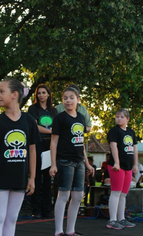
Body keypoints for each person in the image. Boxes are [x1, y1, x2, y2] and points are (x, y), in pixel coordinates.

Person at [0, 78, 40, 236]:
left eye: (2, 91)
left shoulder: (29, 121)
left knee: (12, 218)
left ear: (15, 94)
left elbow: (33, 151)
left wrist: (32, 178)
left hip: (19, 178)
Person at [49, 86, 94, 236]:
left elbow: (80, 143)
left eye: (71, 97)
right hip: (64, 161)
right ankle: (58, 231)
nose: (68, 100)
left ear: (78, 100)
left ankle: (70, 231)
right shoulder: (59, 118)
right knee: (63, 195)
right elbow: (54, 142)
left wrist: (87, 163)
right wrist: (53, 164)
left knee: (77, 197)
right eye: (65, 98)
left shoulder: (81, 118)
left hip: (79, 162)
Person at [106, 108, 138, 230]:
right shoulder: (114, 131)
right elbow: (113, 146)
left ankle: (121, 218)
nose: (118, 119)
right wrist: (117, 162)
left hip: (128, 166)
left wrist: (135, 164)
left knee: (124, 194)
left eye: (121, 117)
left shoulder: (131, 132)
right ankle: (112, 220)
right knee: (116, 192)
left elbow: (135, 148)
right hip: (117, 166)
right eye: (117, 116)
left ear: (127, 119)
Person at [28, 84, 57, 218]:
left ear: (48, 94)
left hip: (50, 146)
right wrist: (51, 131)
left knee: (47, 179)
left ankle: (47, 210)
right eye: (39, 93)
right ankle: (36, 210)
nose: (41, 95)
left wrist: (54, 134)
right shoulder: (33, 109)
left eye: (43, 92)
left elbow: (58, 127)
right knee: (37, 177)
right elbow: (35, 126)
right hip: (38, 144)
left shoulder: (53, 111)